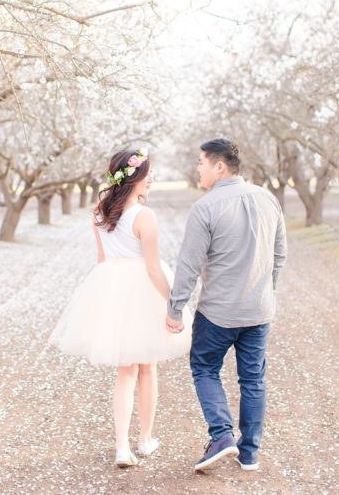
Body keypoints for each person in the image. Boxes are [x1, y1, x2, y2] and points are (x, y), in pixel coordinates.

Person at [50, 149, 193, 468]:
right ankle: (144, 440)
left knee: (125, 371)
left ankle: (121, 447)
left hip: (112, 288)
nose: (151, 180)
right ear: (135, 179)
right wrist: (174, 306)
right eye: (148, 175)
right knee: (147, 367)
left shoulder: (100, 210)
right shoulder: (145, 216)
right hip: (143, 290)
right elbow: (154, 269)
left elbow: (102, 259)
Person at [165, 138, 287, 472]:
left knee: (204, 367)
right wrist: (266, 291)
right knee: (253, 380)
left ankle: (222, 436)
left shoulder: (206, 207)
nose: (198, 169)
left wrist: (175, 309)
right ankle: (249, 454)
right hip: (259, 311)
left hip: (218, 313)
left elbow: (188, 265)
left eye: (201, 163)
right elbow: (279, 254)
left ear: (220, 166)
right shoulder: (268, 199)